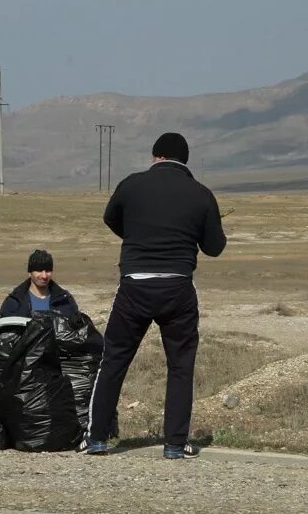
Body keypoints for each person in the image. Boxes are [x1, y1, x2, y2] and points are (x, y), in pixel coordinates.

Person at [86, 133, 227, 459]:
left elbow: (110, 217)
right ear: (185, 161)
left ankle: (96, 439)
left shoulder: (131, 185)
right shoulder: (201, 194)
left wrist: (136, 234)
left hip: (134, 285)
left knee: (114, 360)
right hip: (178, 288)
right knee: (180, 367)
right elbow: (214, 247)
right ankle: (175, 445)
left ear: (156, 156)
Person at [0, 249, 80, 318]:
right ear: (30, 273)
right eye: (39, 270)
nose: (44, 276)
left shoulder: (65, 300)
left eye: (48, 270)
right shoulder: (14, 303)